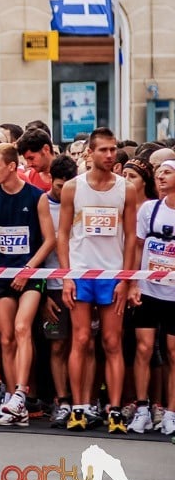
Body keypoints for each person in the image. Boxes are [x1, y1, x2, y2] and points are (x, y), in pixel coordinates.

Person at [57, 128, 138, 434]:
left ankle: (114, 410)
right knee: (79, 340)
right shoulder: (73, 188)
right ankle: (79, 407)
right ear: (89, 153)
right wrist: (67, 277)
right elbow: (62, 234)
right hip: (80, 272)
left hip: (112, 274)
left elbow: (131, 237)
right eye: (103, 149)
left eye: (113, 149)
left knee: (112, 342)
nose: (109, 154)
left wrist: (126, 279)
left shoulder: (126, 189)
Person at [0, 143, 55, 427]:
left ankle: (21, 393)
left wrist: (29, 269)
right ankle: (11, 400)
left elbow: (50, 240)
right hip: (1, 275)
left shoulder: (36, 197)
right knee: (5, 336)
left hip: (31, 275)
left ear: (11, 166)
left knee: (22, 328)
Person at [127, 160, 175, 436]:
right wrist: (133, 281)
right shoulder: (149, 209)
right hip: (148, 290)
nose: (161, 178)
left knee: (172, 353)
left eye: (167, 173)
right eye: (158, 175)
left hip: (173, 294)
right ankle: (143, 408)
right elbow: (137, 247)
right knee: (143, 349)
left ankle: (170, 412)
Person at [41, 154, 79, 429]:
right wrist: (42, 292)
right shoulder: (43, 203)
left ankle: (83, 402)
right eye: (58, 187)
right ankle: (62, 400)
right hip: (52, 284)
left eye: (68, 186)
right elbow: (39, 247)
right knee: (57, 345)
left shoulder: (83, 201)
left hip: (81, 282)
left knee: (83, 344)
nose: (63, 192)